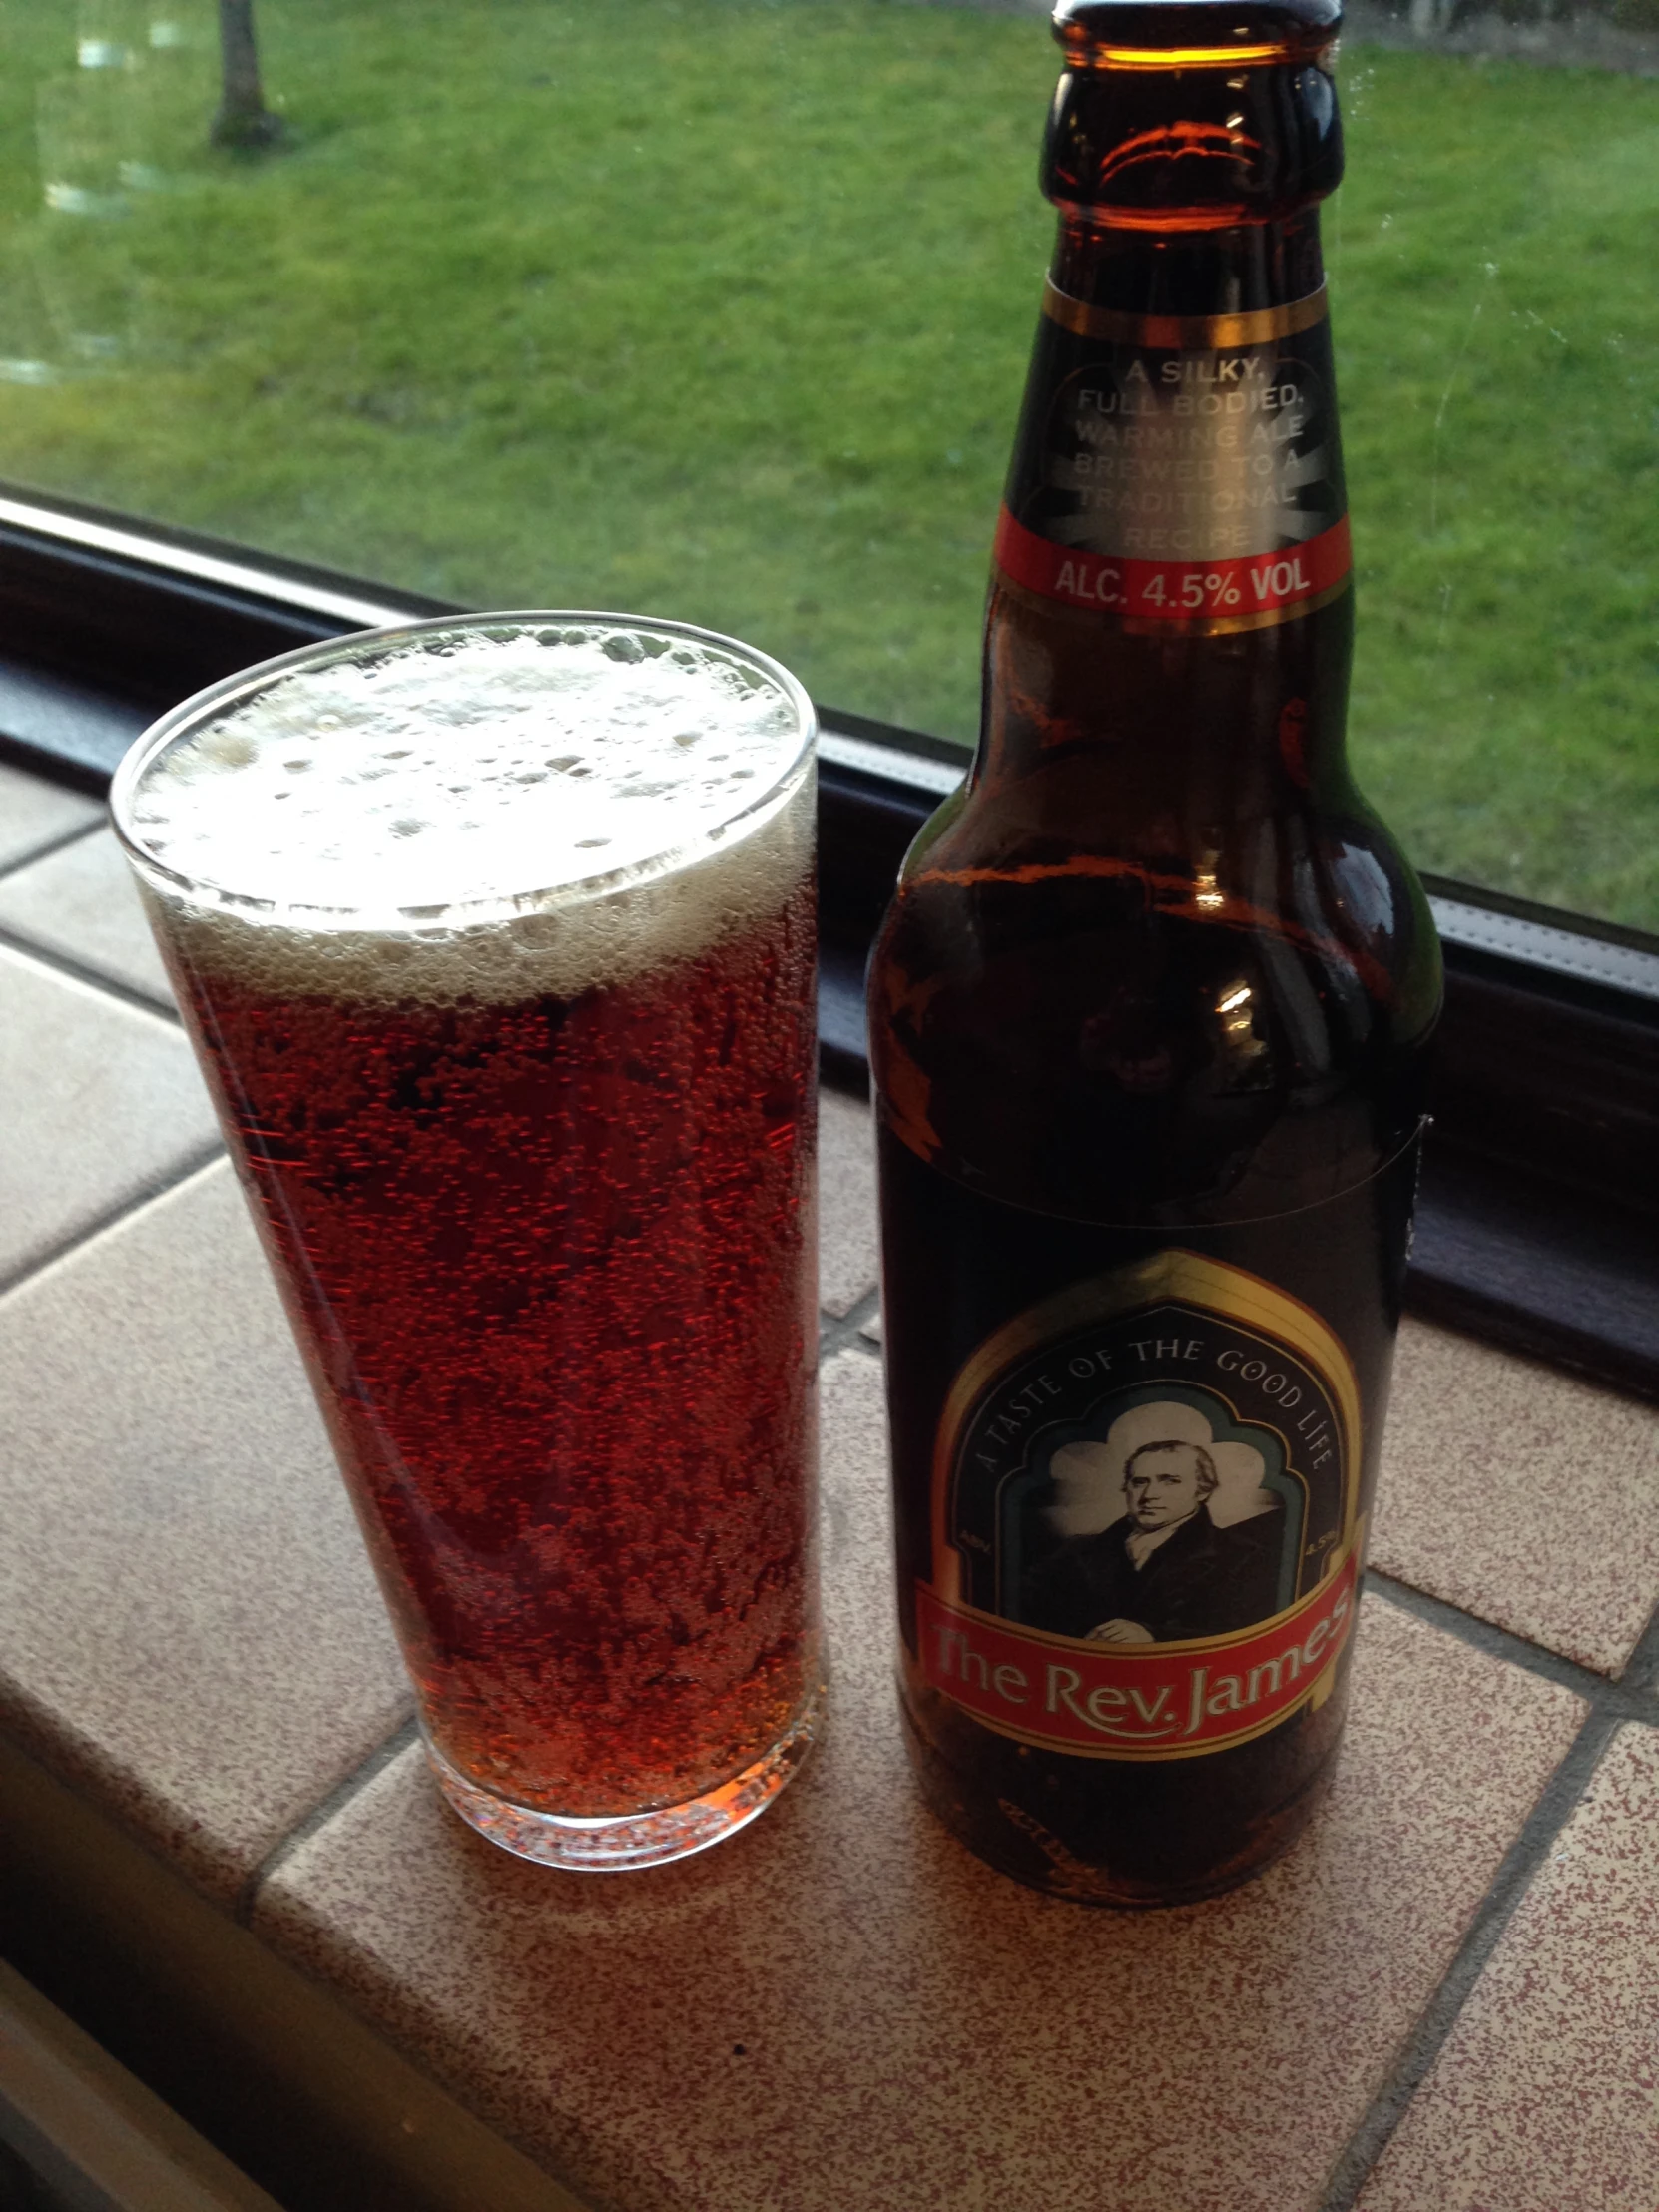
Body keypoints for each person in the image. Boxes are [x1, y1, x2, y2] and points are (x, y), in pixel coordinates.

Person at [1020, 1439, 1284, 1644]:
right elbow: (1027, 1612)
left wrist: (1153, 1636)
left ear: (1202, 1490)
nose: (1150, 1495)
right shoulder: (1077, 1551)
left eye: (1170, 1481)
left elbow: (1248, 1635)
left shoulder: (1242, 1556)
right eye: (1139, 1482)